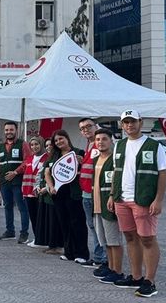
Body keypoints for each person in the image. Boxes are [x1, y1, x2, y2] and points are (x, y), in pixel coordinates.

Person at [109, 110, 166, 298]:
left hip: (143, 199)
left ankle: (150, 281)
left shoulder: (154, 146)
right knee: (130, 237)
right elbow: (116, 171)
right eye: (126, 122)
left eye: (133, 121)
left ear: (140, 122)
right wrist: (112, 195)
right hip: (122, 198)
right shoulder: (119, 145)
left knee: (147, 239)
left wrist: (158, 200)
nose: (129, 125)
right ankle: (136, 277)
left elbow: (162, 173)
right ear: (122, 125)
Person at [45, 130, 89, 264]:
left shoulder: (79, 152)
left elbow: (87, 170)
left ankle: (81, 253)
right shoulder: (53, 155)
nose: (59, 142)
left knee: (78, 223)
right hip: (58, 195)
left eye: (61, 139)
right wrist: (51, 187)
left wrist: (81, 163)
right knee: (64, 223)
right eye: (56, 140)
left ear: (67, 138)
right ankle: (69, 252)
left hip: (74, 193)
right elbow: (47, 173)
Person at [91, 128, 126, 284]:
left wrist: (112, 196)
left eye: (104, 139)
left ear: (111, 141)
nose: (100, 142)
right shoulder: (95, 160)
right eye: (98, 139)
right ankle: (111, 267)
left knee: (114, 241)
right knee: (105, 241)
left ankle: (117, 271)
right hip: (97, 206)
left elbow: (117, 180)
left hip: (108, 205)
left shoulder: (115, 160)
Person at [77, 117, 108, 269]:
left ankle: (103, 258)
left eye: (88, 126)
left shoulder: (100, 143)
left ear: (95, 126)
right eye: (82, 128)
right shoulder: (89, 144)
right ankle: (98, 257)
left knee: (100, 227)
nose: (86, 130)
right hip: (86, 193)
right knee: (93, 226)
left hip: (96, 194)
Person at [0, 121, 32, 243]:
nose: (9, 132)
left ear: (16, 130)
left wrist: (16, 172)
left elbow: (27, 161)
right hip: (4, 183)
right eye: (7, 130)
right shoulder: (0, 146)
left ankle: (24, 233)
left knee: (22, 207)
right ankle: (10, 231)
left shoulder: (23, 144)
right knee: (7, 206)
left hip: (18, 182)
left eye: (11, 130)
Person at [21, 136, 47, 247]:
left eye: (36, 144)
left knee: (41, 218)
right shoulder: (29, 158)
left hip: (40, 192)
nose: (34, 147)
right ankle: (37, 238)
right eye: (32, 145)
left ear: (41, 145)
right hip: (28, 192)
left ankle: (43, 239)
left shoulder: (47, 157)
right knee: (33, 217)